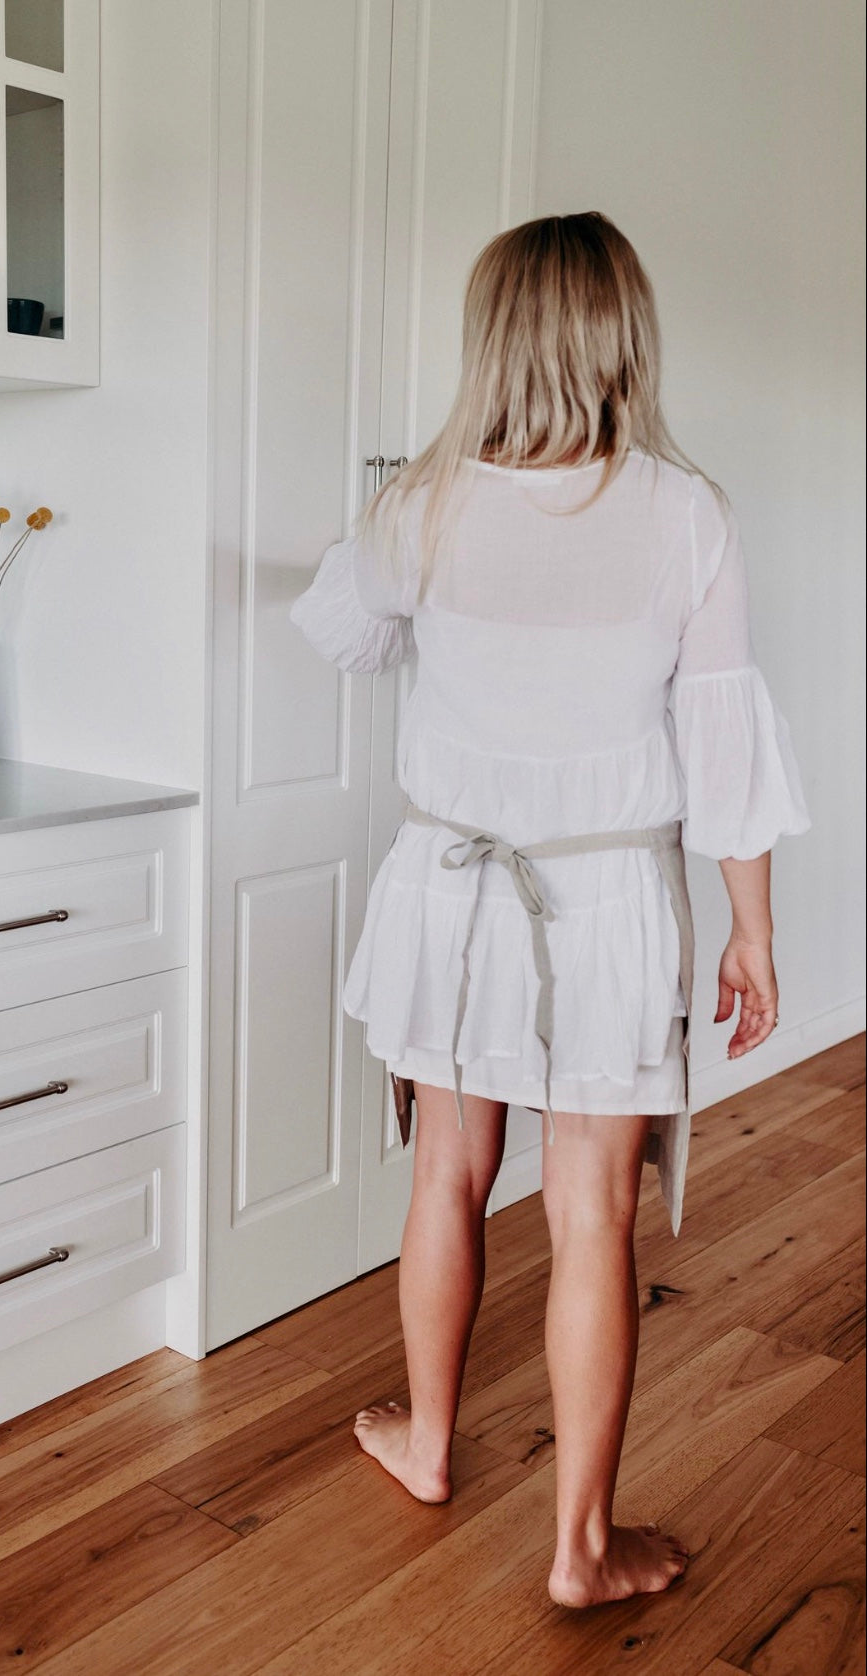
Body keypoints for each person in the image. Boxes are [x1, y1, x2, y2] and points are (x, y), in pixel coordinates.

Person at [289, 212, 810, 1610]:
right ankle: (579, 1548)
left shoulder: (423, 505)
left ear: (492, 336)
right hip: (609, 906)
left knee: (444, 1178)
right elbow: (720, 751)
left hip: (448, 895)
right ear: (620, 336)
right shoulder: (685, 513)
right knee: (591, 1214)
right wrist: (751, 930)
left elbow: (343, 631)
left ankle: (427, 1445)